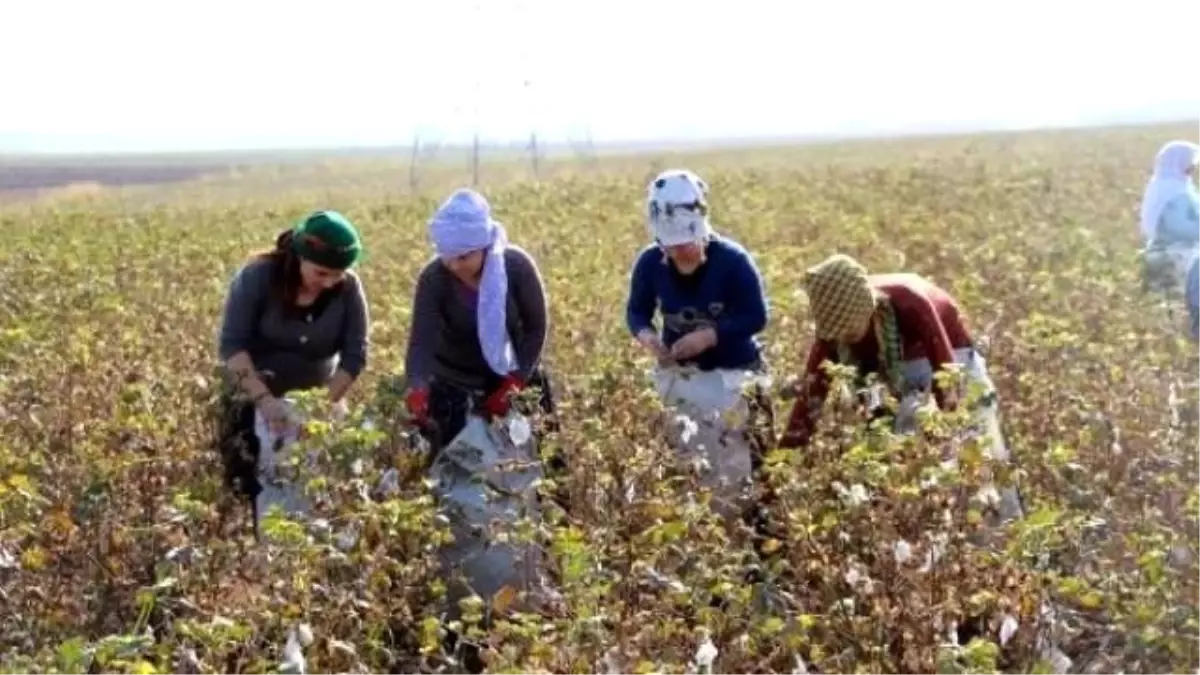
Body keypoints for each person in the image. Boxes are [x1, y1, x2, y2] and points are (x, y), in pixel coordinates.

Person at [625, 168, 776, 534]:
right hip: (683, 380)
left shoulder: (733, 262)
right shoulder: (650, 264)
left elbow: (756, 316)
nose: (680, 252)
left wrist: (711, 336)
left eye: (686, 244)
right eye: (672, 247)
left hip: (733, 376)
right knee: (685, 470)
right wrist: (647, 336)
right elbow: (637, 311)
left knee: (741, 473)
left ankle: (752, 542)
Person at [214, 210, 370, 505]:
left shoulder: (348, 288)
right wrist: (266, 402)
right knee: (252, 491)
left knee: (318, 494)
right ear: (299, 257)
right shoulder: (257, 277)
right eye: (321, 273)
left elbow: (355, 354)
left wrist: (321, 409)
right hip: (252, 400)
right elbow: (233, 348)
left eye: (337, 274)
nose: (328, 282)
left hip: (318, 403)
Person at [402, 187, 554, 454]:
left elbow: (535, 329)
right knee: (459, 470)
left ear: (484, 247)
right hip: (455, 383)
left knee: (535, 463)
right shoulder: (435, 278)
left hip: (516, 374)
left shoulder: (516, 268)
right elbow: (421, 343)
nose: (455, 265)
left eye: (464, 257)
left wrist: (515, 383)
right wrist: (418, 387)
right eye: (449, 257)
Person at [1138, 140, 1200, 336]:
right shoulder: (1174, 192)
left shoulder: (1166, 187)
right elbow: (1179, 227)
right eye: (1190, 164)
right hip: (1176, 256)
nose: (1192, 169)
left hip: (1170, 254)